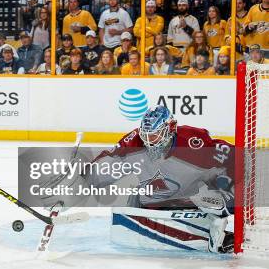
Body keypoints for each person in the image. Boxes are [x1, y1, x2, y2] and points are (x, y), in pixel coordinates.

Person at [84, 105, 235, 253]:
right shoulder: (134, 142)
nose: (149, 141)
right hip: (153, 205)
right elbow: (104, 167)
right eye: (146, 135)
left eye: (155, 135)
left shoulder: (193, 142)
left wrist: (227, 188)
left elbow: (234, 156)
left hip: (191, 203)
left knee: (215, 195)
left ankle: (215, 231)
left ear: (171, 129)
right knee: (136, 197)